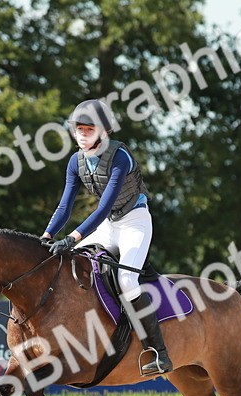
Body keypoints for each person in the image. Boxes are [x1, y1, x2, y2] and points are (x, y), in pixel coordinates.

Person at [41, 99, 171, 376]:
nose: (82, 134)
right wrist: (47, 235)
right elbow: (65, 207)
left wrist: (73, 237)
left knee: (127, 279)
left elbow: (102, 207)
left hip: (135, 222)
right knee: (72, 265)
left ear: (103, 131)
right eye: (79, 129)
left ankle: (158, 352)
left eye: (89, 129)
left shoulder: (120, 157)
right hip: (109, 225)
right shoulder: (76, 162)